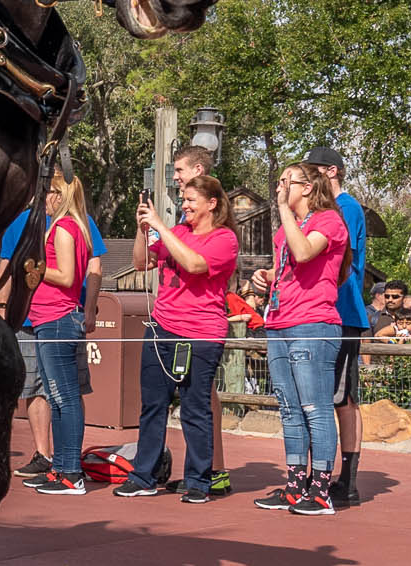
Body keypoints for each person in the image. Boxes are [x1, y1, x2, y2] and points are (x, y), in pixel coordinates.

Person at [121, 173, 239, 503]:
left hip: (200, 334)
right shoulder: (176, 232)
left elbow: (195, 264)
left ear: (211, 203)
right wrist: (143, 228)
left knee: (194, 408)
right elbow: (141, 262)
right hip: (161, 327)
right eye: (183, 200)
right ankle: (143, 475)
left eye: (190, 200)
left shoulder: (224, 238)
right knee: (152, 406)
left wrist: (160, 225)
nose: (184, 205)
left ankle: (199, 481)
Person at [253, 162, 349, 515]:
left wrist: (282, 208)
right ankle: (295, 485)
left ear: (307, 187)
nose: (279, 188)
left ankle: (321, 490)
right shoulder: (286, 229)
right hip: (279, 322)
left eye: (286, 182)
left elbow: (306, 252)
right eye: (279, 182)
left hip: (312, 324)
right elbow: (290, 267)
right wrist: (267, 275)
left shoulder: (329, 220)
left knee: (315, 408)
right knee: (289, 408)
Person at [1, 199, 106, 479]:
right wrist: (1, 309)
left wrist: (90, 308)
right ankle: (45, 455)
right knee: (37, 387)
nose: (46, 196)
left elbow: (94, 267)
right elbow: (7, 266)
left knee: (69, 390)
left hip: (64, 316)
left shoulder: (79, 221)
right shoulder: (21, 221)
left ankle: (69, 460)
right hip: (28, 317)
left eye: (51, 189)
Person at [300, 146, 373, 509]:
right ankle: (313, 474)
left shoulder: (345, 208)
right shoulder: (315, 211)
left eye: (312, 171)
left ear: (331, 171)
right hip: (317, 312)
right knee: (315, 397)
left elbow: (337, 259)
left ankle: (347, 479)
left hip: (341, 312)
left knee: (341, 397)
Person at [26, 174, 94, 495]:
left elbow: (67, 277)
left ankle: (71, 473)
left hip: (57, 319)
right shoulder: (64, 227)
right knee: (57, 398)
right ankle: (62, 467)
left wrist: (38, 270)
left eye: (50, 192)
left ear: (61, 195)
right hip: (47, 319)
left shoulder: (65, 228)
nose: (45, 198)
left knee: (64, 397)